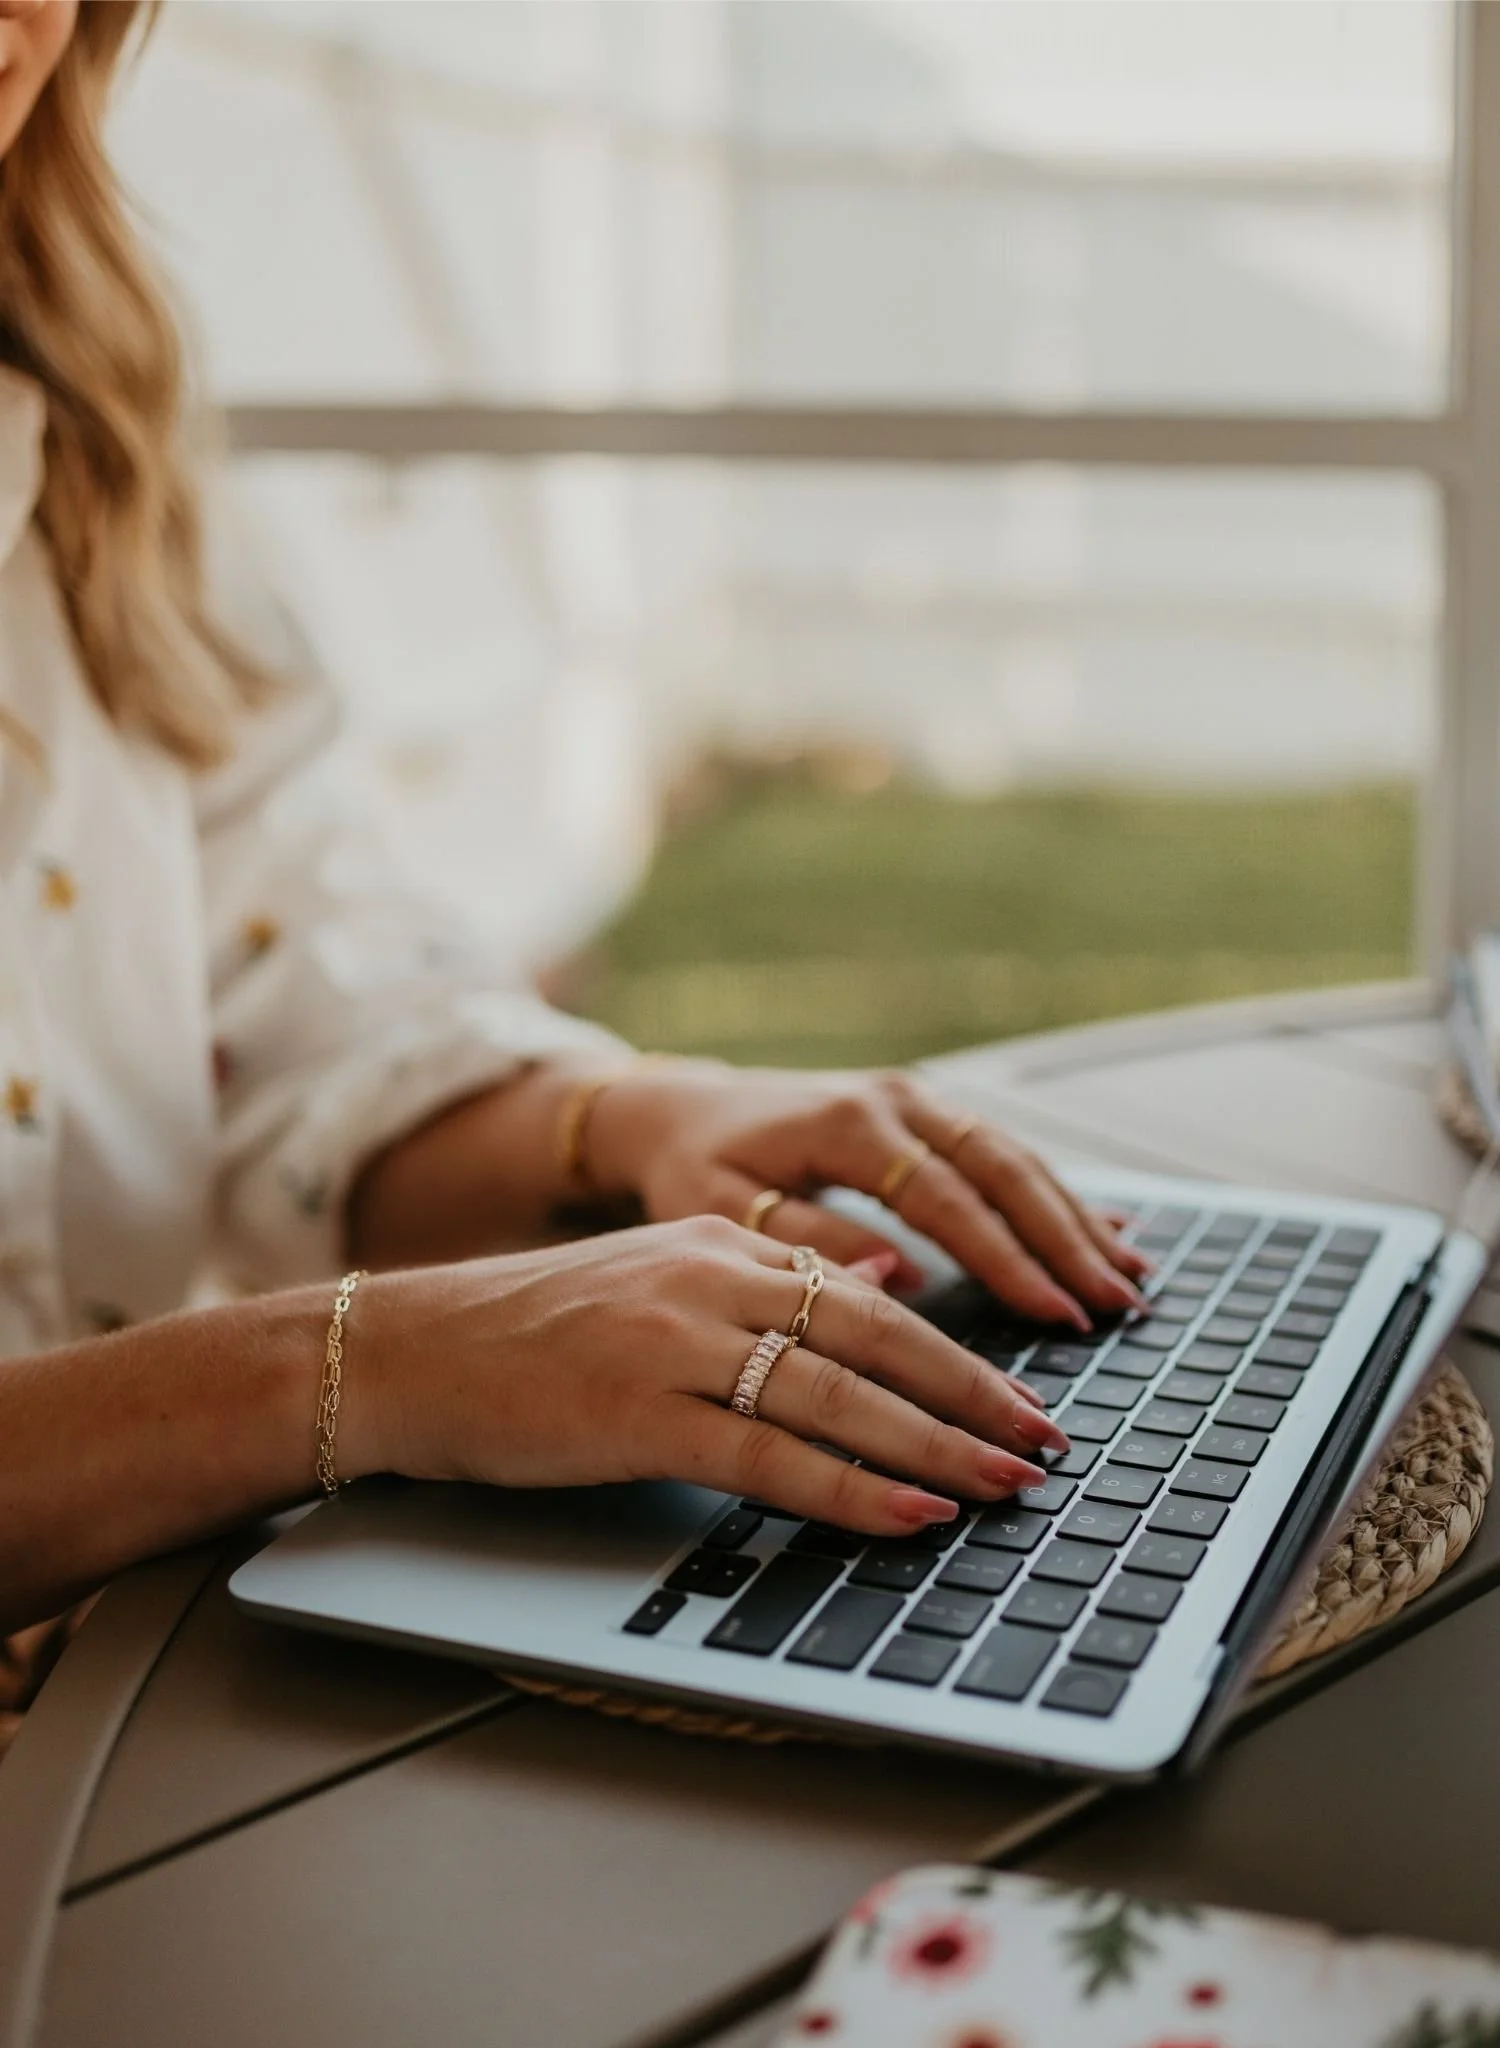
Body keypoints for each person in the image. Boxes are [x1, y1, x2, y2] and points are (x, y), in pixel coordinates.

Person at [0, 0, 1147, 1717]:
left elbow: (298, 1027)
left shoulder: (84, 417)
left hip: (138, 1686)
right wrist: (367, 1365)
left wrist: (619, 1128)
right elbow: (345, 1340)